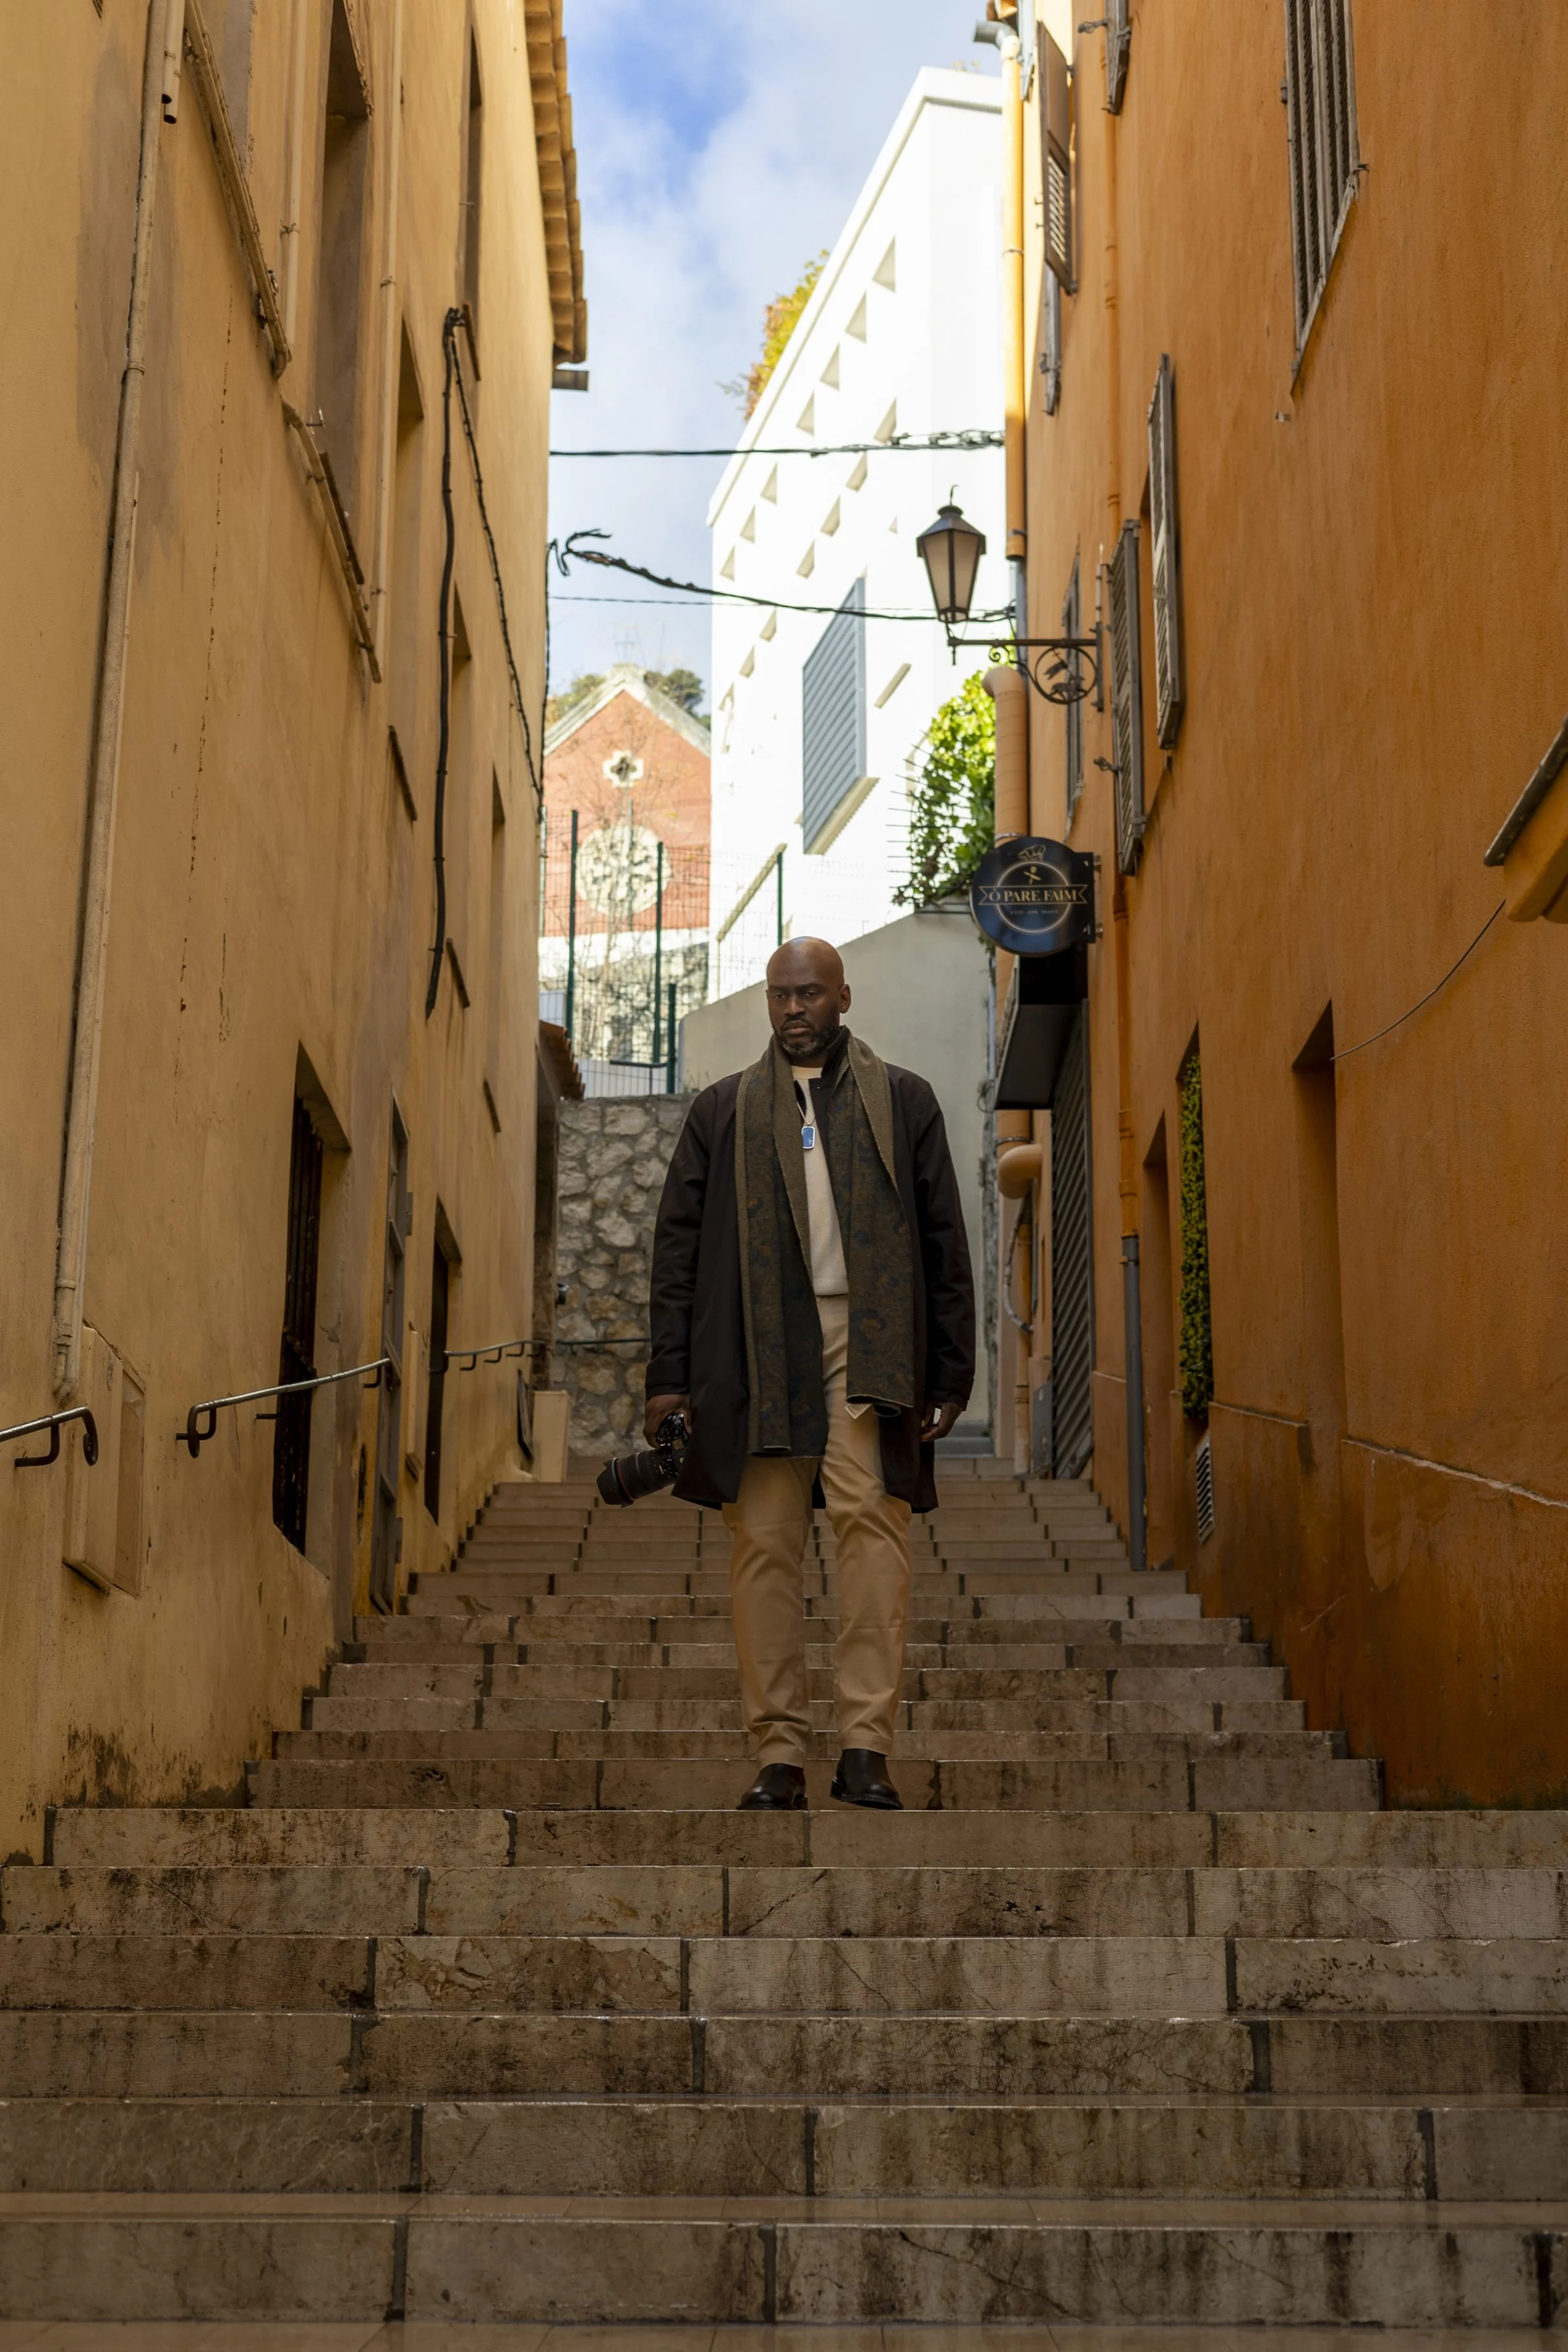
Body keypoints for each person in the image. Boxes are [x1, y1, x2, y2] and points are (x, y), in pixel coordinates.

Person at [645, 937, 975, 1810]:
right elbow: (675, 1251)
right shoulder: (723, 1110)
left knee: (872, 1529)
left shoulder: (903, 1102)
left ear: (844, 999)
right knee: (764, 1543)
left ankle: (866, 1745)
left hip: (867, 1343)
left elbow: (944, 1242)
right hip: (755, 1349)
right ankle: (778, 1751)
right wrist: (668, 1381)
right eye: (781, 995)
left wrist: (950, 1372)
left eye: (811, 995)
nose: (795, 1009)